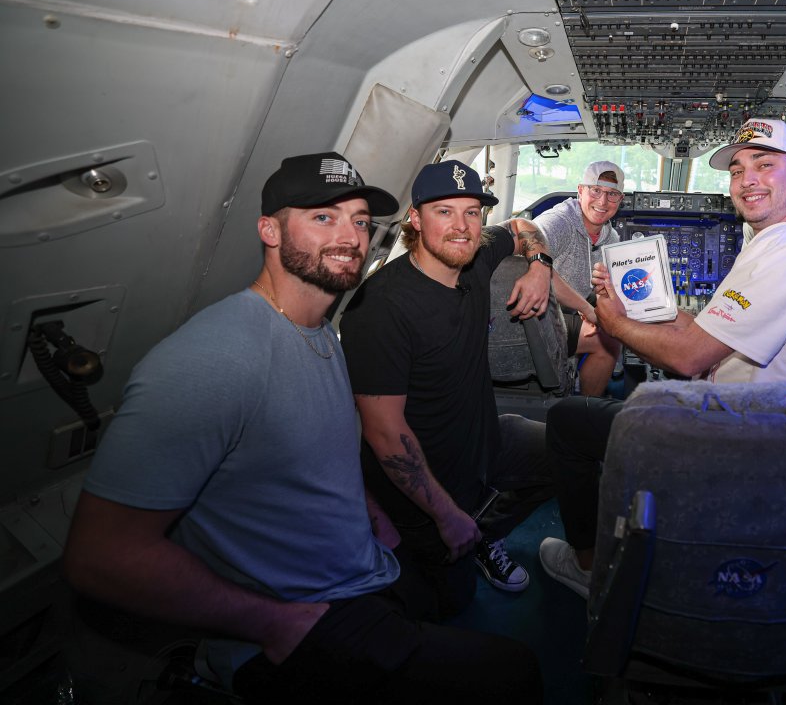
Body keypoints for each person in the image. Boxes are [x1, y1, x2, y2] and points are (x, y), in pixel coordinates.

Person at [62, 152, 543, 703]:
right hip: (296, 618)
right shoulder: (211, 359)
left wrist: (374, 513)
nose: (350, 237)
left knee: (445, 609)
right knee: (513, 673)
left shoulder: (316, 333)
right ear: (268, 229)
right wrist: (270, 624)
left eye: (360, 221)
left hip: (365, 567)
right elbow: (100, 555)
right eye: (323, 217)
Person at [539, 119, 786, 597]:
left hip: (749, 438)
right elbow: (702, 331)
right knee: (630, 400)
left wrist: (614, 322)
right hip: (771, 422)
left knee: (569, 421)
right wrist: (642, 314)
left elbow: (690, 357)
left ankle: (589, 571)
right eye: (738, 169)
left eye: (765, 165)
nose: (747, 180)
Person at [339, 160, 556, 618]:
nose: (462, 227)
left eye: (472, 212)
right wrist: (445, 515)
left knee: (567, 455)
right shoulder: (380, 308)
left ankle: (484, 533)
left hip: (482, 442)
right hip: (424, 485)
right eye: (443, 212)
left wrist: (540, 266)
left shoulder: (474, 259)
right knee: (450, 606)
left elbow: (520, 226)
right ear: (415, 220)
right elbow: (384, 433)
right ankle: (465, 534)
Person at [532, 160, 624, 396]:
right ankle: (585, 412)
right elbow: (529, 258)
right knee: (608, 343)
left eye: (612, 194)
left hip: (571, 312)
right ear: (581, 191)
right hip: (543, 312)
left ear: (620, 200)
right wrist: (587, 308)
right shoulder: (560, 222)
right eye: (596, 190)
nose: (603, 202)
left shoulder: (610, 237)